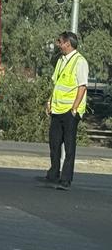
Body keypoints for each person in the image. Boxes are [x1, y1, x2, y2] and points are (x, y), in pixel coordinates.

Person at [44, 31, 88, 191]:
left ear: (68, 44)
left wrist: (74, 108)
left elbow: (82, 86)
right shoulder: (61, 60)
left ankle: (66, 178)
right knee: (54, 143)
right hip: (57, 109)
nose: (58, 44)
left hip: (70, 111)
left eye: (60, 42)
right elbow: (56, 84)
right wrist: (49, 101)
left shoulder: (80, 61)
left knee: (69, 146)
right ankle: (54, 172)